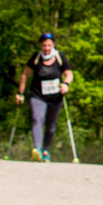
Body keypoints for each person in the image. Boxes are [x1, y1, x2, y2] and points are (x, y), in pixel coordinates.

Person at [15, 32, 73, 162]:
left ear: (53, 45)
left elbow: (69, 74)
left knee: (51, 124)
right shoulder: (36, 58)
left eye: (49, 46)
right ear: (40, 45)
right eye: (44, 46)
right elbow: (25, 74)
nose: (46, 49)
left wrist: (66, 84)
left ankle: (46, 150)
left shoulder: (60, 57)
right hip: (38, 95)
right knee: (37, 118)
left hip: (55, 97)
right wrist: (20, 93)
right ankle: (37, 149)